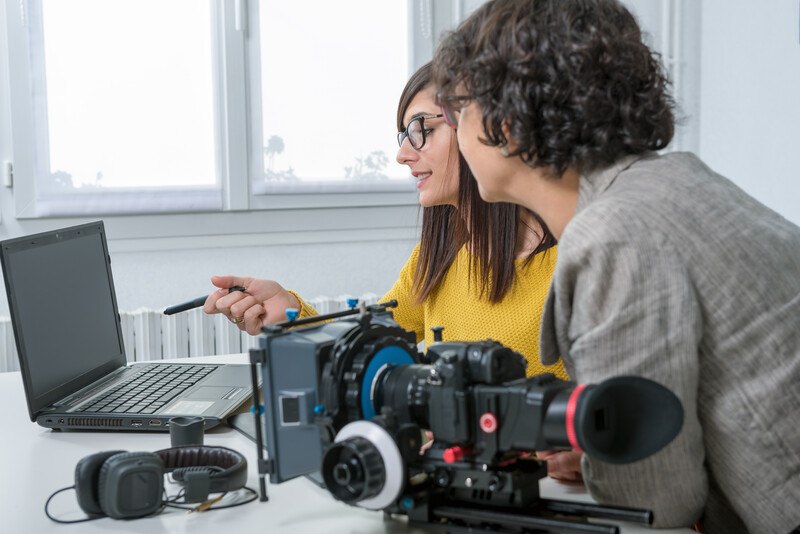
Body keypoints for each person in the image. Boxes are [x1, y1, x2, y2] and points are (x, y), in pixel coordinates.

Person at [432, 0, 800, 532]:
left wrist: (609, 462)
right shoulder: (674, 181)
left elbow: (653, 503)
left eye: (457, 111)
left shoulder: (615, 232)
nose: (456, 132)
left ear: (506, 125)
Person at [204, 62, 567, 381]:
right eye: (404, 135)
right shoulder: (437, 258)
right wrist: (289, 311)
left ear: (483, 129)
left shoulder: (571, 261)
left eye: (420, 129)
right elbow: (361, 344)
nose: (402, 155)